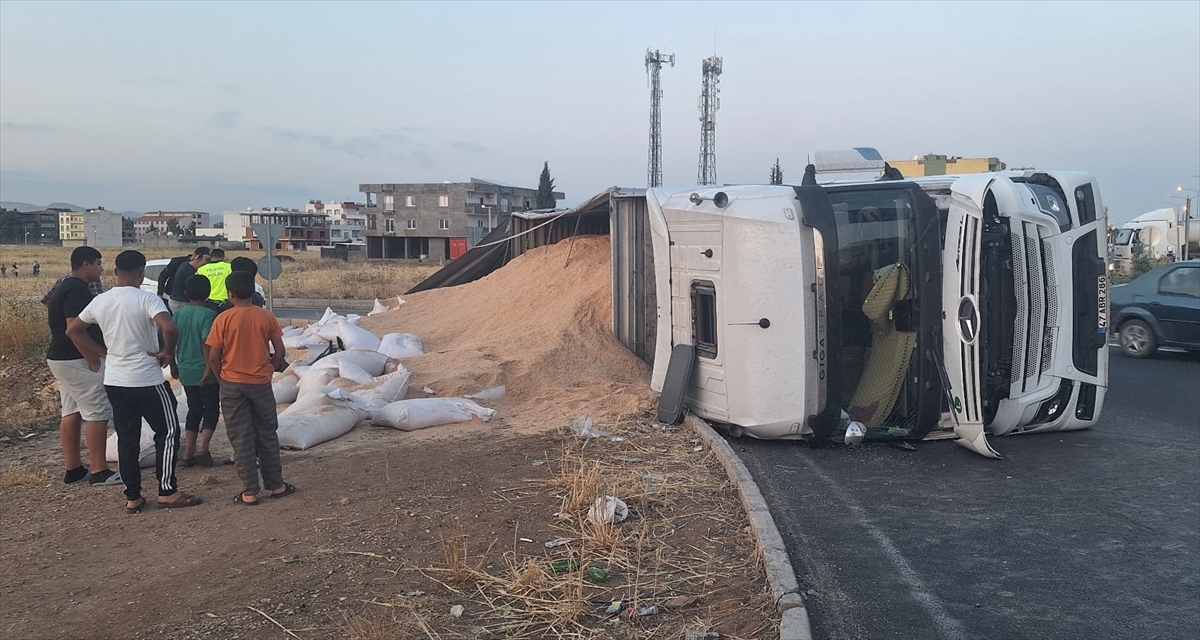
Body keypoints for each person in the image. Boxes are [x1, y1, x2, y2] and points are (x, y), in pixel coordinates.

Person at [67, 250, 203, 514]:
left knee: (127, 438)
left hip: (116, 380)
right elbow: (170, 328)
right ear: (141, 273)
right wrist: (167, 353)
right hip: (148, 380)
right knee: (169, 431)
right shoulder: (147, 299)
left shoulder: (101, 301)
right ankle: (167, 490)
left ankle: (133, 497)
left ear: (116, 272)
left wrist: (102, 352)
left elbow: (73, 331)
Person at [205, 271, 295, 505]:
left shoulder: (223, 319)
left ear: (230, 294)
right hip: (260, 383)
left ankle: (249, 492)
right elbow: (281, 351)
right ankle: (276, 486)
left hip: (232, 384)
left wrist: (221, 377)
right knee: (266, 433)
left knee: (240, 437)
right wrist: (270, 368)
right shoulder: (266, 317)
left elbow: (214, 356)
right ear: (253, 293)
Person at [45, 246, 120, 486]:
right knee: (97, 411)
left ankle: (74, 469)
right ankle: (99, 471)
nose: (102, 268)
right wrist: (96, 359)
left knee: (72, 411)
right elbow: (73, 330)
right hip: (75, 359)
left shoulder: (66, 285)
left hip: (62, 358)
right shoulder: (76, 290)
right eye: (98, 263)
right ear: (85, 264)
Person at [175, 276, 220, 467]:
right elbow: (206, 343)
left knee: (194, 409)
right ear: (208, 293)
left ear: (186, 293)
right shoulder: (209, 315)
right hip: (204, 370)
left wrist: (172, 365)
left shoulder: (178, 314)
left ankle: (188, 453)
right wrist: (211, 368)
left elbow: (172, 341)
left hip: (185, 369)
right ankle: (204, 449)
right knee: (210, 408)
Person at [165, 247, 210, 314]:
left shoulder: (186, 265)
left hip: (176, 300)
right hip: (180, 302)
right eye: (206, 261)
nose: (207, 264)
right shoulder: (188, 271)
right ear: (198, 257)